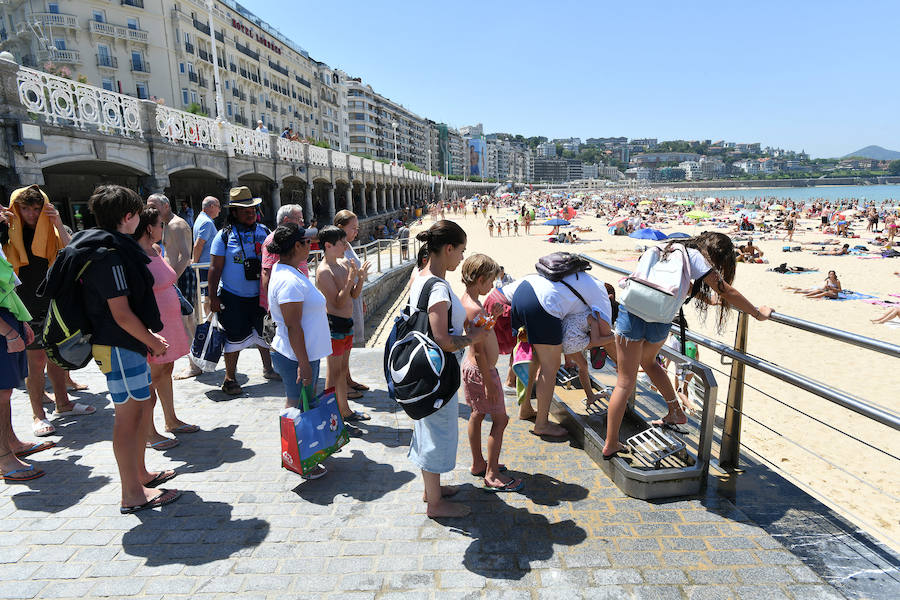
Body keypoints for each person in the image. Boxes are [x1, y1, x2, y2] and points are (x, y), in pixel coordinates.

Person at [603, 232, 772, 460]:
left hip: (633, 310)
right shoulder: (695, 257)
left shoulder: (663, 247)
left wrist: (706, 299)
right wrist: (757, 313)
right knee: (649, 362)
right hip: (661, 316)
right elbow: (725, 290)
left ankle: (612, 443)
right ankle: (674, 411)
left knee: (625, 382)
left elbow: (669, 281)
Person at [78, 184, 179, 512]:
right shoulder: (110, 256)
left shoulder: (112, 248)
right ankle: (132, 494)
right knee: (129, 418)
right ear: (128, 217)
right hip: (119, 346)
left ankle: (140, 476)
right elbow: (120, 313)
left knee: (138, 411)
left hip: (124, 345)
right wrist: (151, 339)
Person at [1, 185, 95, 438]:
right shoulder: (7, 232)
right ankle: (38, 415)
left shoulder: (51, 230)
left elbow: (73, 252)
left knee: (56, 356)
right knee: (36, 362)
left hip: (54, 302)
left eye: (36, 208)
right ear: (16, 208)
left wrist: (58, 222)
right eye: (25, 209)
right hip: (25, 305)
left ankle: (63, 403)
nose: (31, 214)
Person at [409, 220, 487, 518]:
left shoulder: (420, 276)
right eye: (461, 250)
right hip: (439, 373)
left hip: (425, 371)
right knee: (438, 431)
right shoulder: (439, 287)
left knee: (428, 428)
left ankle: (432, 490)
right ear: (449, 248)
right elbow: (442, 339)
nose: (463, 257)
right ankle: (436, 504)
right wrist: (473, 338)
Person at [509, 267, 613, 439]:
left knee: (536, 357)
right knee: (550, 366)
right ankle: (542, 424)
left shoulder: (585, 282)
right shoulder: (602, 301)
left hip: (524, 291)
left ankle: (525, 408)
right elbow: (605, 332)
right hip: (543, 302)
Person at [266, 223, 331, 479]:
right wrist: (304, 364)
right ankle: (300, 458)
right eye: (306, 242)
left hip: (299, 353)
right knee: (299, 406)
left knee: (298, 404)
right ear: (296, 245)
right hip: (296, 356)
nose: (310, 245)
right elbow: (293, 326)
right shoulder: (289, 281)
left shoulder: (287, 271)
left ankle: (297, 454)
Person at [132, 206, 197, 451]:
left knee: (166, 370)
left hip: (168, 322)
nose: (164, 228)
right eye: (160, 224)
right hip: (153, 324)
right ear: (149, 228)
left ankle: (171, 419)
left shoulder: (155, 250)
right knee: (151, 377)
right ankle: (149, 431)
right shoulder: (135, 255)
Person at [460, 254, 523, 492]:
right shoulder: (475, 309)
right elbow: (478, 350)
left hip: (472, 368)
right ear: (480, 280)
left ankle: (478, 463)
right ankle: (492, 473)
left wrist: (493, 318)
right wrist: (488, 381)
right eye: (490, 281)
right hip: (483, 371)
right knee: (500, 419)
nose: (493, 286)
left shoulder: (467, 302)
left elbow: (479, 333)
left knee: (477, 414)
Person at [208, 187, 277, 395]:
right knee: (233, 337)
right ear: (234, 212)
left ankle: (268, 369)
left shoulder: (264, 231)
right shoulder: (224, 236)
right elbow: (215, 268)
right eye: (245, 210)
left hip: (260, 297)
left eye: (253, 210)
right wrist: (212, 297)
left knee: (265, 333)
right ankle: (230, 378)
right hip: (233, 297)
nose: (251, 213)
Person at [0, 243, 47, 481]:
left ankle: (11, 444)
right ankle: (3, 458)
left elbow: (6, 286)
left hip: (7, 317)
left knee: (5, 392)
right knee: (1, 393)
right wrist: (8, 331)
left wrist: (20, 320)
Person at [315, 225, 370, 426]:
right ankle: (336, 414)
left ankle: (342, 411)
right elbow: (337, 302)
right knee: (333, 373)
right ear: (328, 246)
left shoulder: (343, 263)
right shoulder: (323, 271)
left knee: (342, 370)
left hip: (347, 323)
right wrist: (349, 278)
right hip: (334, 325)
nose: (346, 246)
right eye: (341, 243)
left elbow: (353, 294)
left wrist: (360, 278)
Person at [175, 195, 220, 380]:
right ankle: (211, 333)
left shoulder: (201, 219)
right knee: (208, 301)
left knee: (207, 302)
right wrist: (195, 262)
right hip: (204, 268)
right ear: (211, 206)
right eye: (218, 206)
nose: (219, 210)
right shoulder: (206, 222)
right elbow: (199, 243)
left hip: (203, 267)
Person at [333, 211, 372, 399]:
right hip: (346, 301)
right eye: (353, 228)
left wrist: (361, 298)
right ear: (340, 228)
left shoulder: (348, 245)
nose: (356, 232)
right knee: (343, 346)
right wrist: (360, 279)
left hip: (354, 299)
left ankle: (348, 379)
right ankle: (343, 384)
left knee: (348, 346)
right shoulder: (338, 250)